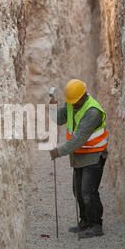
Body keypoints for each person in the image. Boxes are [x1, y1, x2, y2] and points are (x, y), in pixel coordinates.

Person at [49, 79, 109, 239]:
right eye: (71, 103)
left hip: (94, 155)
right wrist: (52, 107)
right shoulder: (71, 103)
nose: (73, 105)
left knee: (88, 191)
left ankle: (96, 225)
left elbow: (79, 138)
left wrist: (59, 151)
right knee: (78, 191)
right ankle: (85, 222)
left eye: (76, 102)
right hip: (79, 155)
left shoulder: (92, 111)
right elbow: (58, 118)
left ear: (83, 96)